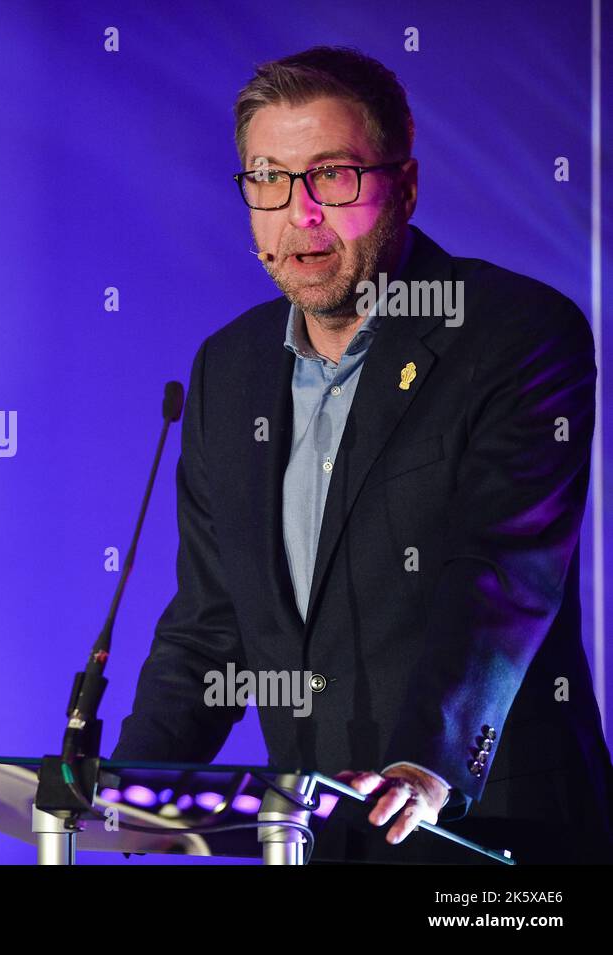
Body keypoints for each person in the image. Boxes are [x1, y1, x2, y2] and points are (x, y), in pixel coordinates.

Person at [113, 46, 613, 863]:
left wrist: (425, 763)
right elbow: (212, 626)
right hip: (316, 840)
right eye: (268, 179)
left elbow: (497, 574)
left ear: (405, 187)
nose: (298, 213)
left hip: (493, 843)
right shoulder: (227, 371)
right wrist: (126, 793)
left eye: (333, 176)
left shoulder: (515, 335)